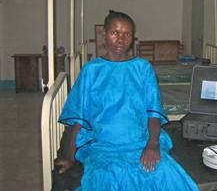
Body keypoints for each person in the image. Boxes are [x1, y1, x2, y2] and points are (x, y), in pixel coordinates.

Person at [55, 10, 199, 191]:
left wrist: (152, 145)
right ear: (104, 35)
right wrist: (69, 157)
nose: (120, 39)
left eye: (126, 34)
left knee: (162, 172)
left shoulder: (143, 69)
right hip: (102, 144)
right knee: (104, 177)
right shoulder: (91, 71)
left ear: (133, 38)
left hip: (140, 140)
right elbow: (78, 119)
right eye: (114, 33)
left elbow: (153, 113)